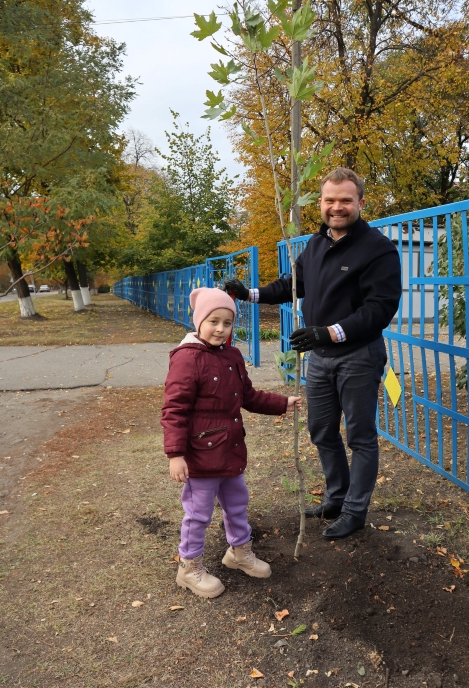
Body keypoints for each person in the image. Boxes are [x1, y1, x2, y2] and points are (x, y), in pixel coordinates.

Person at [224, 167, 402, 540]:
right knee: (321, 431)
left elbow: (380, 308)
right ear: (320, 203)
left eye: (346, 200)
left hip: (358, 355)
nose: (337, 207)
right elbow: (293, 285)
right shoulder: (316, 245)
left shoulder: (378, 249)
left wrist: (330, 332)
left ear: (360, 203)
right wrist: (248, 293)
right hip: (320, 358)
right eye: (330, 200)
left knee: (360, 437)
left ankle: (355, 511)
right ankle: (336, 498)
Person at [161, 287, 301, 599]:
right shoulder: (187, 359)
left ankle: (238, 553)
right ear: (199, 321)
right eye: (214, 321)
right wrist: (176, 454)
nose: (221, 329)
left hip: (231, 450)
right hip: (200, 456)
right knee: (198, 513)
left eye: (228, 323)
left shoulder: (232, 355)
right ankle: (189, 567)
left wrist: (282, 402)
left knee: (237, 503)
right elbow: (174, 410)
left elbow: (248, 396)